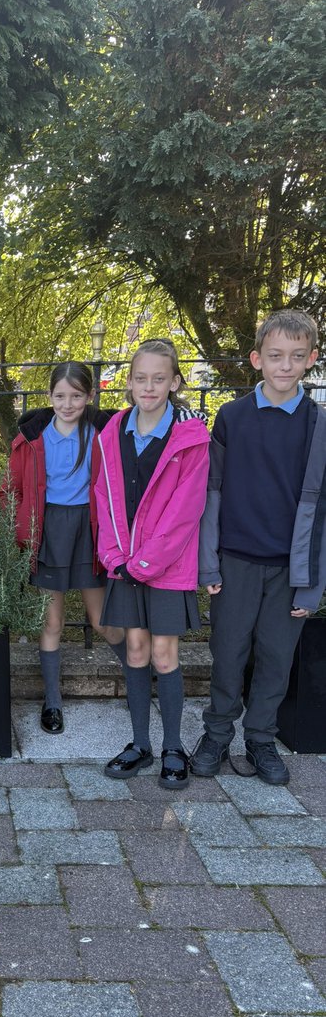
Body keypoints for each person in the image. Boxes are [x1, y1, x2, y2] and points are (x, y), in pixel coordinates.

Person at [194, 309, 325, 786]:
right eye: (275, 356)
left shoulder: (318, 424)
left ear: (311, 359)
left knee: (276, 658)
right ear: (257, 359)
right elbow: (211, 494)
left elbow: (322, 512)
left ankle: (261, 738)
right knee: (228, 653)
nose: (285, 365)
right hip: (236, 562)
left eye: (296, 356)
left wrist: (311, 586)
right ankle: (216, 734)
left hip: (290, 568)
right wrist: (208, 563)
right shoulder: (232, 417)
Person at [94, 339, 210, 788]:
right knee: (136, 652)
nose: (149, 386)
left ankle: (173, 748)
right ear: (129, 382)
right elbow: (104, 496)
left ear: (174, 382)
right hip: (124, 563)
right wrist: (113, 554)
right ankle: (140, 744)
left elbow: (185, 510)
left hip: (166, 566)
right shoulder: (113, 432)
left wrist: (144, 562)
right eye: (141, 378)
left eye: (159, 378)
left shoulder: (190, 438)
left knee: (163, 655)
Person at [1, 361, 127, 734]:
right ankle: (52, 702)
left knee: (101, 621)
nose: (67, 404)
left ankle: (140, 676)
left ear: (89, 396)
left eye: (76, 396)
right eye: (60, 396)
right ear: (50, 396)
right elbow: (11, 488)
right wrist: (19, 527)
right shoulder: (31, 439)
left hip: (90, 531)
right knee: (52, 621)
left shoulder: (104, 434)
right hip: (48, 531)